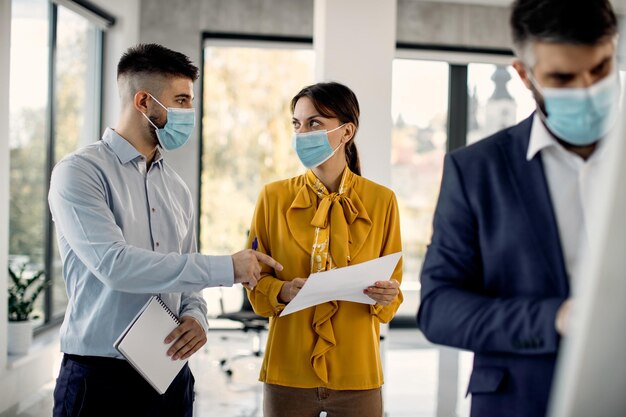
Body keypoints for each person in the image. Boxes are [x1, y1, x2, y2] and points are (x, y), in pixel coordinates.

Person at [48, 43, 282, 417]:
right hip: (99, 378)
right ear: (144, 101)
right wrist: (227, 268)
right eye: (182, 100)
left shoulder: (176, 187)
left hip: (169, 373)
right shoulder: (79, 173)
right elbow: (115, 265)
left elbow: (186, 279)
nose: (190, 112)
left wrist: (196, 318)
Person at [416, 1, 620, 416]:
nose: (586, 88)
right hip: (520, 400)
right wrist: (557, 319)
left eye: (599, 70)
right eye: (563, 77)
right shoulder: (475, 171)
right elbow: (439, 309)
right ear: (525, 76)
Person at [245, 81, 403, 417]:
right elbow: (254, 284)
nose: (303, 133)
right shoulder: (272, 198)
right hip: (287, 367)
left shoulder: (382, 201)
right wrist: (284, 290)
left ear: (347, 132)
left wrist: (388, 294)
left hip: (358, 370)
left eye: (315, 123)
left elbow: (394, 290)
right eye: (297, 124)